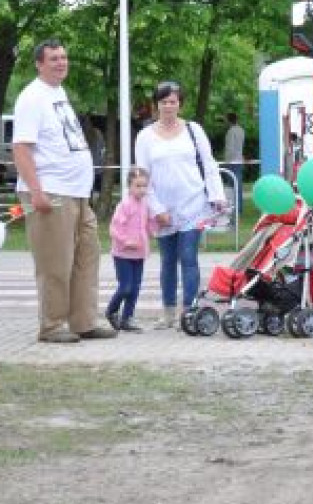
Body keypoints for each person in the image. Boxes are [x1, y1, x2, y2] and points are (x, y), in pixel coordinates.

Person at [11, 39, 117, 342]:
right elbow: (21, 148)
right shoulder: (32, 97)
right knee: (55, 263)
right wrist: (36, 191)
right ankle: (52, 326)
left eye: (64, 57)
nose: (61, 62)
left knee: (87, 257)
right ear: (39, 63)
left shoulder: (57, 93)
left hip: (77, 193)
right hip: (51, 192)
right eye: (54, 58)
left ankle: (83, 321)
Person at [135, 81, 226, 329]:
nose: (168, 106)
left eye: (173, 102)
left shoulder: (194, 130)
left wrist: (217, 196)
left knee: (188, 257)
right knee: (168, 260)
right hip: (164, 208)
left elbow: (208, 164)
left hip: (193, 203)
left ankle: (190, 311)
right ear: (157, 105)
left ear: (180, 104)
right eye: (163, 102)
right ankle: (168, 313)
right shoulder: (145, 137)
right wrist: (156, 209)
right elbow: (142, 176)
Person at [106, 166, 158, 332]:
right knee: (125, 286)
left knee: (135, 288)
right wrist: (125, 241)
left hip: (139, 254)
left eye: (144, 186)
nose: (142, 189)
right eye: (138, 185)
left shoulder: (145, 205)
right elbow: (114, 228)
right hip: (122, 254)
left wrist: (154, 229)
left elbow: (148, 223)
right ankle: (111, 311)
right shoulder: (125, 205)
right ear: (129, 186)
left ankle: (127, 318)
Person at [223, 111, 245, 216]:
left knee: (232, 186)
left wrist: (226, 161)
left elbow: (230, 148)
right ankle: (239, 208)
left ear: (228, 120)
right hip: (239, 160)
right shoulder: (241, 130)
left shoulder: (231, 131)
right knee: (238, 186)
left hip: (232, 162)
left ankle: (234, 208)